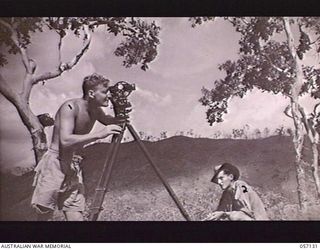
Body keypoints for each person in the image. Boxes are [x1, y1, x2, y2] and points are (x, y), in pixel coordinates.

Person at [31, 73, 124, 221]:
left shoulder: (96, 111)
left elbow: (113, 122)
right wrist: (100, 134)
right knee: (44, 213)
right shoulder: (70, 107)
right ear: (91, 93)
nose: (108, 95)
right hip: (56, 163)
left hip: (73, 165)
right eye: (105, 92)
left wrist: (121, 113)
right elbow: (65, 141)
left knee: (75, 213)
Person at [204, 163, 269, 221]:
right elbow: (220, 210)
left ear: (231, 177)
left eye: (221, 178)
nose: (219, 182)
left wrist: (225, 214)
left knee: (234, 216)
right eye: (217, 179)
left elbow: (247, 212)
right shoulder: (226, 193)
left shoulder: (242, 186)